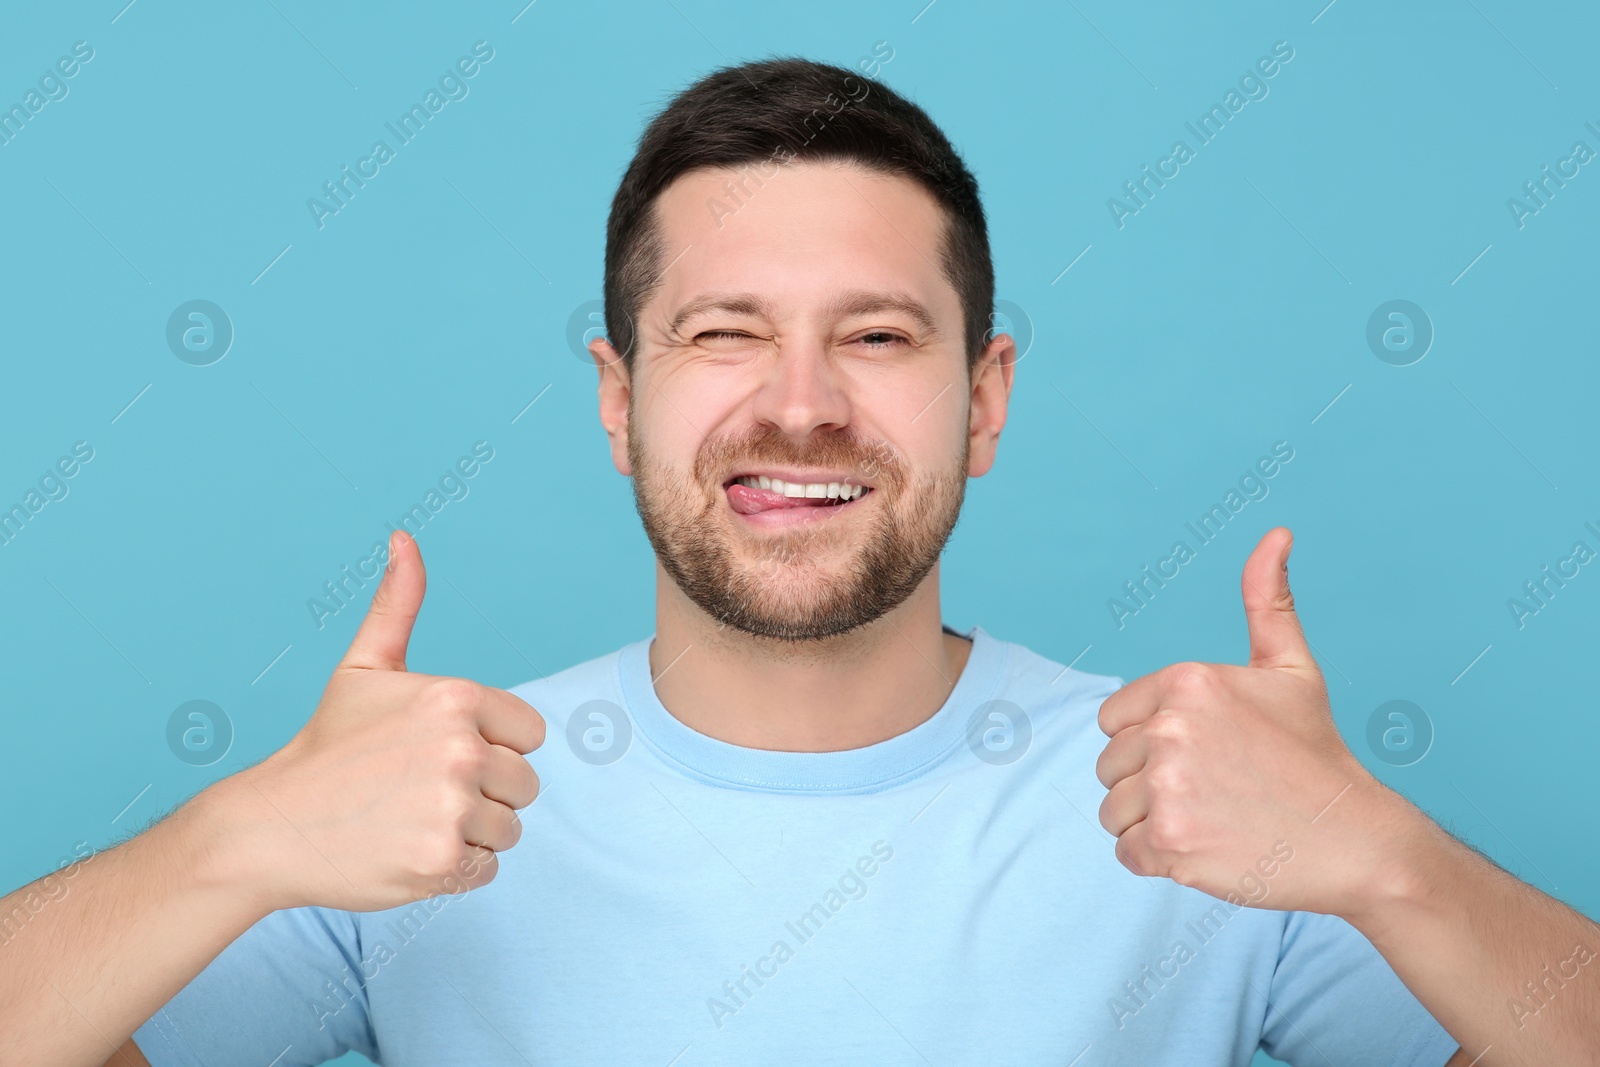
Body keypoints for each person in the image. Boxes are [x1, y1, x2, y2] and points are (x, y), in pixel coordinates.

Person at [2, 56, 1595, 1067]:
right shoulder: (421, 809)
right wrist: (231, 841)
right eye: (722, 335)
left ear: (984, 402)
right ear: (620, 401)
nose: (802, 406)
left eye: (879, 337)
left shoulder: (1204, 804)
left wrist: (1390, 857)